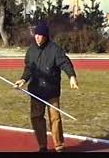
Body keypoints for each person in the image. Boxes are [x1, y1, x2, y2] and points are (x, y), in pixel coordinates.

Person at [14, 22, 79, 152]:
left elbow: (65, 63)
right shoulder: (31, 50)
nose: (37, 37)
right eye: (36, 35)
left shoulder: (55, 49)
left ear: (46, 36)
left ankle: (59, 146)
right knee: (36, 117)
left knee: (55, 118)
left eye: (40, 35)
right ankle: (42, 146)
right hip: (36, 90)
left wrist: (71, 76)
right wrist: (23, 79)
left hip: (51, 91)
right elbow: (28, 68)